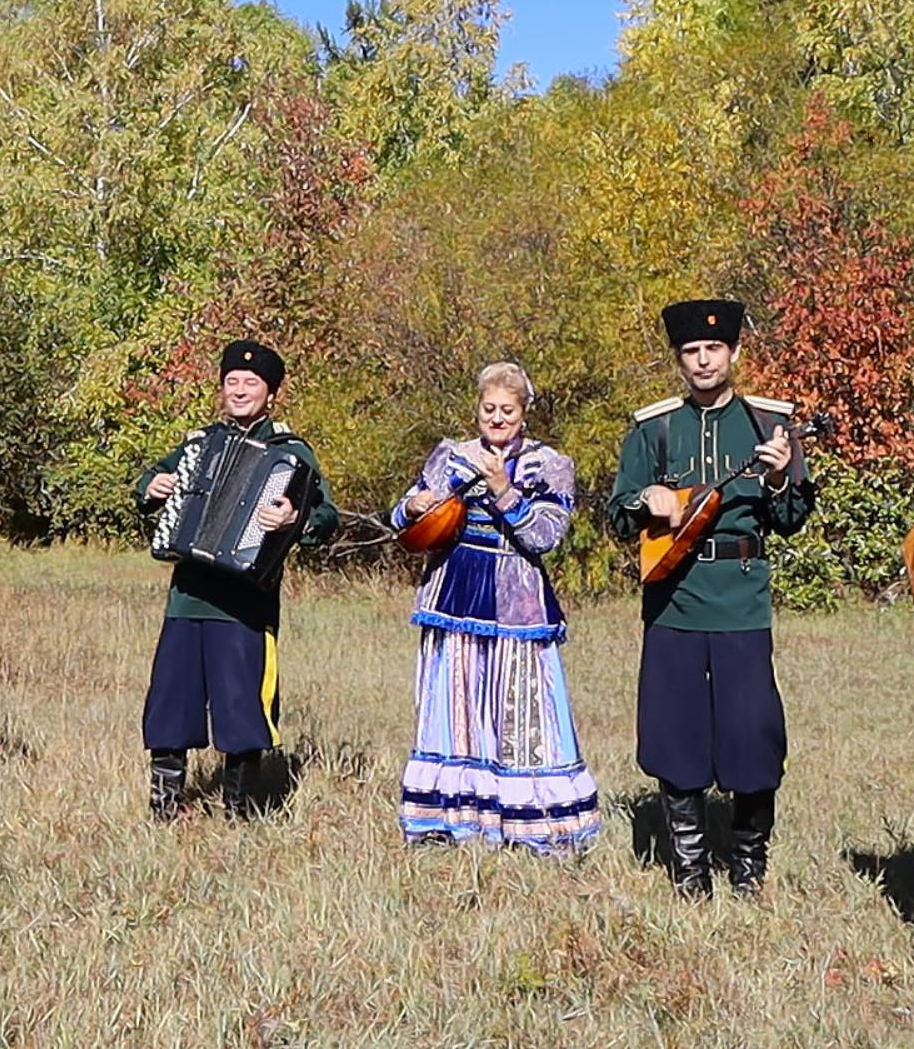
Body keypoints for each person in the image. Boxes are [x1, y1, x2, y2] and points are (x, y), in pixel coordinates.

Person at [603, 299, 814, 897]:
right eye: (692, 351)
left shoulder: (771, 425)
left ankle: (748, 868)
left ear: (735, 353)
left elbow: (794, 515)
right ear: (679, 359)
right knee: (675, 732)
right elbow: (616, 515)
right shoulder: (654, 429)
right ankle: (690, 872)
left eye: (714, 350)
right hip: (674, 599)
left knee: (753, 733)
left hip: (742, 600)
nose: (703, 360)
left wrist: (776, 479)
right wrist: (648, 500)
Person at [388, 361, 601, 854]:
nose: (497, 418)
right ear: (477, 409)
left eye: (508, 410)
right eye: (489, 409)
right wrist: (413, 506)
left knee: (520, 710)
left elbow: (545, 536)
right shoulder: (450, 455)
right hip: (452, 594)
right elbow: (402, 515)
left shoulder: (549, 464)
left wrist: (505, 491)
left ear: (523, 414)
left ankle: (533, 823)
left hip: (516, 603)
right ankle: (448, 819)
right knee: (453, 705)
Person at [136, 340, 338, 820]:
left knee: (241, 701)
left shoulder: (290, 452)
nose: (240, 390)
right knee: (171, 697)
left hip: (247, 601)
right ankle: (165, 803)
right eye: (232, 382)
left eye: (251, 383)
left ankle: (240, 808)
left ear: (270, 394)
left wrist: (293, 518)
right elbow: (147, 482)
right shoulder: (198, 443)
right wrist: (153, 486)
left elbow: (326, 516)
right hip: (189, 595)